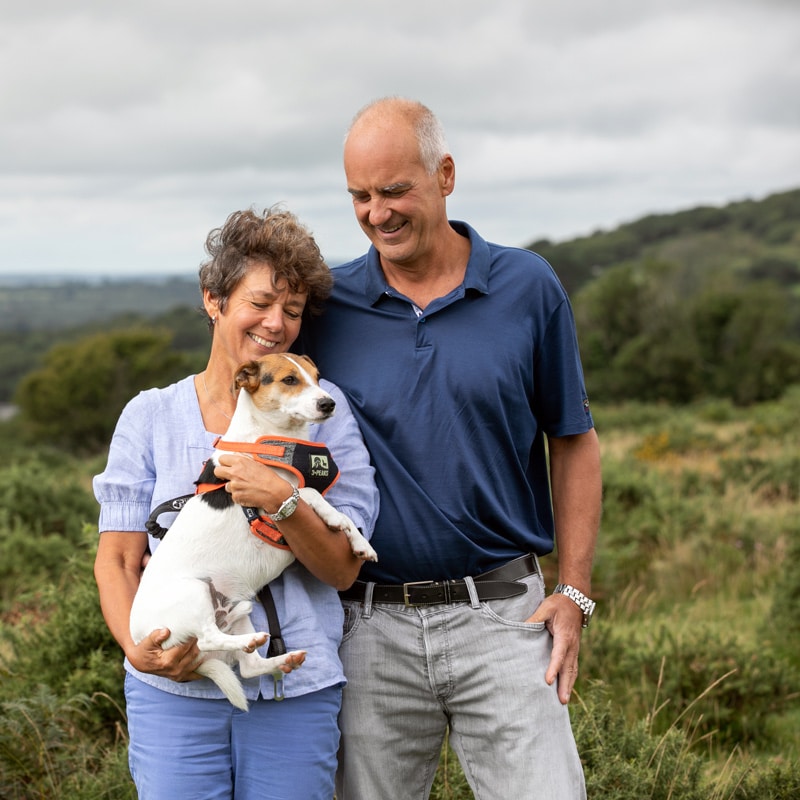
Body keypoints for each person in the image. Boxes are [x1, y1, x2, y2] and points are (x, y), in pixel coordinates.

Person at [298, 97, 602, 799]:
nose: (378, 212)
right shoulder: (326, 305)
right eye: (360, 196)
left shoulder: (528, 287)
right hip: (364, 628)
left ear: (445, 175)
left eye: (395, 189)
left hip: (504, 614)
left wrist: (575, 591)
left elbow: (575, 441)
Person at [93, 206, 379, 800]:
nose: (276, 323)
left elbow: (344, 568)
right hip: (172, 694)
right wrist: (140, 653)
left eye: (293, 311)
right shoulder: (150, 418)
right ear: (213, 300)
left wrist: (285, 502)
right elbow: (118, 560)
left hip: (294, 689)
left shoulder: (328, 416)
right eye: (260, 302)